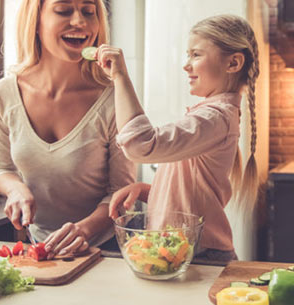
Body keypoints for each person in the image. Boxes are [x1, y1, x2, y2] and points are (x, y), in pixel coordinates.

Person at [0, 0, 136, 258]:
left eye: (89, 11)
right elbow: (1, 169)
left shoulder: (112, 98)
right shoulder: (3, 94)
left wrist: (84, 230)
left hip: (107, 250)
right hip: (39, 247)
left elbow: (123, 192)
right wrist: (16, 189)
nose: (80, 22)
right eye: (64, 10)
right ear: (36, 20)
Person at [98, 14, 260, 263]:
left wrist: (120, 76)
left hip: (201, 257)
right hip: (185, 253)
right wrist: (146, 191)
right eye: (188, 55)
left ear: (233, 63)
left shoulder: (215, 117)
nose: (186, 65)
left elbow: (140, 145)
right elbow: (191, 193)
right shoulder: (212, 116)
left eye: (196, 55)